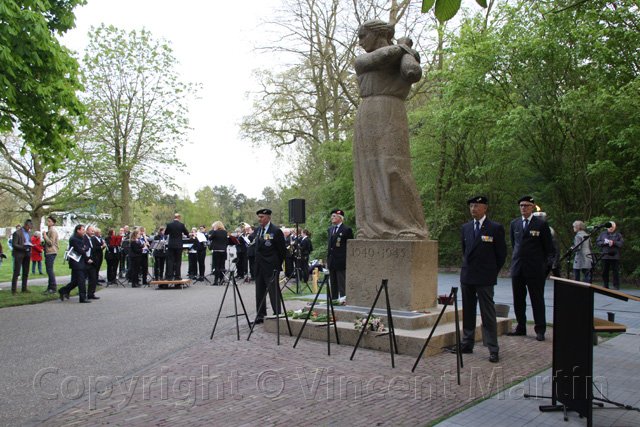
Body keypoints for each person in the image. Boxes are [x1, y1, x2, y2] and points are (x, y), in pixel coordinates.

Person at [352, 19, 428, 240]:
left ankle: (411, 226)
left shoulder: (403, 56)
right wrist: (404, 48)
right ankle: (370, 227)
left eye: (363, 35)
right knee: (367, 172)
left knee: (393, 168)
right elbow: (375, 59)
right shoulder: (367, 59)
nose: (360, 41)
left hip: (391, 110)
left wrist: (408, 54)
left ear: (377, 34)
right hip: (367, 114)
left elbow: (412, 73)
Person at [460, 196, 507, 363]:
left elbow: (501, 254)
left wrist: (491, 271)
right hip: (468, 276)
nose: (473, 209)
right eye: (471, 206)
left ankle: (492, 348)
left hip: (485, 277)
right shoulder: (466, 228)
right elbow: (465, 251)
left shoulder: (494, 228)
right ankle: (467, 342)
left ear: (484, 208)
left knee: (487, 313)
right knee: (468, 311)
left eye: (477, 206)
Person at [508, 196, 554, 342]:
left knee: (537, 299)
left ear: (532, 207)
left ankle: (540, 329)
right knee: (518, 299)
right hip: (518, 267)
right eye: (521, 205)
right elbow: (514, 244)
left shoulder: (540, 224)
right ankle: (521, 326)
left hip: (535, 269)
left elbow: (548, 248)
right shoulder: (514, 224)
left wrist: (544, 267)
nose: (523, 208)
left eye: (526, 205)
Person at [252, 208, 286, 325]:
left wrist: (276, 265)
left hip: (271, 266)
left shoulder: (275, 231)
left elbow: (282, 250)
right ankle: (261, 315)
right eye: (259, 217)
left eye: (262, 217)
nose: (259, 219)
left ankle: (277, 314)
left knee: (273, 291)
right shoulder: (258, 230)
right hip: (259, 266)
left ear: (268, 218)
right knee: (259, 292)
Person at [58, 224, 93, 303]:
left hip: (80, 261)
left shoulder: (81, 238)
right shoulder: (74, 239)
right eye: (83, 230)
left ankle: (63, 290)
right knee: (81, 280)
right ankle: (82, 297)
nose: (84, 231)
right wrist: (84, 251)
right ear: (78, 230)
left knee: (77, 280)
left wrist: (84, 248)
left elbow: (86, 247)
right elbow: (80, 250)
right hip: (76, 262)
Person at [327, 209, 354, 299]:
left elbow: (350, 246)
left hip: (340, 260)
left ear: (340, 218)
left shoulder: (346, 230)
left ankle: (343, 300)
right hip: (332, 260)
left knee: (342, 283)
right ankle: (334, 301)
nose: (332, 218)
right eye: (332, 216)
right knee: (333, 284)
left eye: (334, 216)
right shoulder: (330, 229)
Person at [596, 222, 624, 290]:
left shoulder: (618, 235)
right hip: (605, 255)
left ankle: (616, 285)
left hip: (615, 256)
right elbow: (598, 242)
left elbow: (621, 243)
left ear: (615, 227)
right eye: (609, 227)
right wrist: (604, 243)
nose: (610, 228)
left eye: (612, 227)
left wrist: (613, 242)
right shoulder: (603, 234)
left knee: (616, 271)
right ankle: (605, 284)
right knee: (605, 270)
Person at [11, 219, 34, 295]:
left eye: (30, 227)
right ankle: (14, 290)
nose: (29, 229)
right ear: (25, 225)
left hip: (27, 253)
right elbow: (14, 244)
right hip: (19, 254)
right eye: (28, 227)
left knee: (26, 271)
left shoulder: (29, 233)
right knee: (17, 272)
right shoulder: (17, 233)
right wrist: (23, 247)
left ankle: (24, 288)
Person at [164, 213, 189, 280]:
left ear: (173, 217)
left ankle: (169, 275)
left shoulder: (169, 225)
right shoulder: (181, 225)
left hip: (171, 244)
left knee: (170, 260)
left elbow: (166, 233)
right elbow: (187, 233)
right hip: (178, 244)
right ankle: (177, 275)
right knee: (178, 260)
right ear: (179, 218)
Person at [42, 216, 59, 294]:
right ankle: (50, 287)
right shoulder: (49, 231)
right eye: (47, 221)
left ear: (52, 223)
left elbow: (51, 243)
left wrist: (44, 236)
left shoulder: (52, 231)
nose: (47, 222)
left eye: (49, 221)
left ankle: (53, 287)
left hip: (51, 252)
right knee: (48, 270)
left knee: (50, 270)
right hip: (48, 251)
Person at [209, 221, 228, 285]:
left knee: (216, 266)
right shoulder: (225, 232)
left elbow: (210, 238)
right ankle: (222, 279)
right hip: (223, 250)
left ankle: (216, 280)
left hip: (216, 250)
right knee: (222, 265)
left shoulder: (215, 232)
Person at [84, 226, 100, 299]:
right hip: (86, 260)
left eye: (93, 231)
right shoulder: (84, 238)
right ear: (87, 231)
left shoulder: (93, 238)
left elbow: (95, 248)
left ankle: (91, 293)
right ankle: (65, 290)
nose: (92, 233)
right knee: (80, 279)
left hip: (92, 260)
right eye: (91, 231)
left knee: (93, 277)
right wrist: (87, 259)